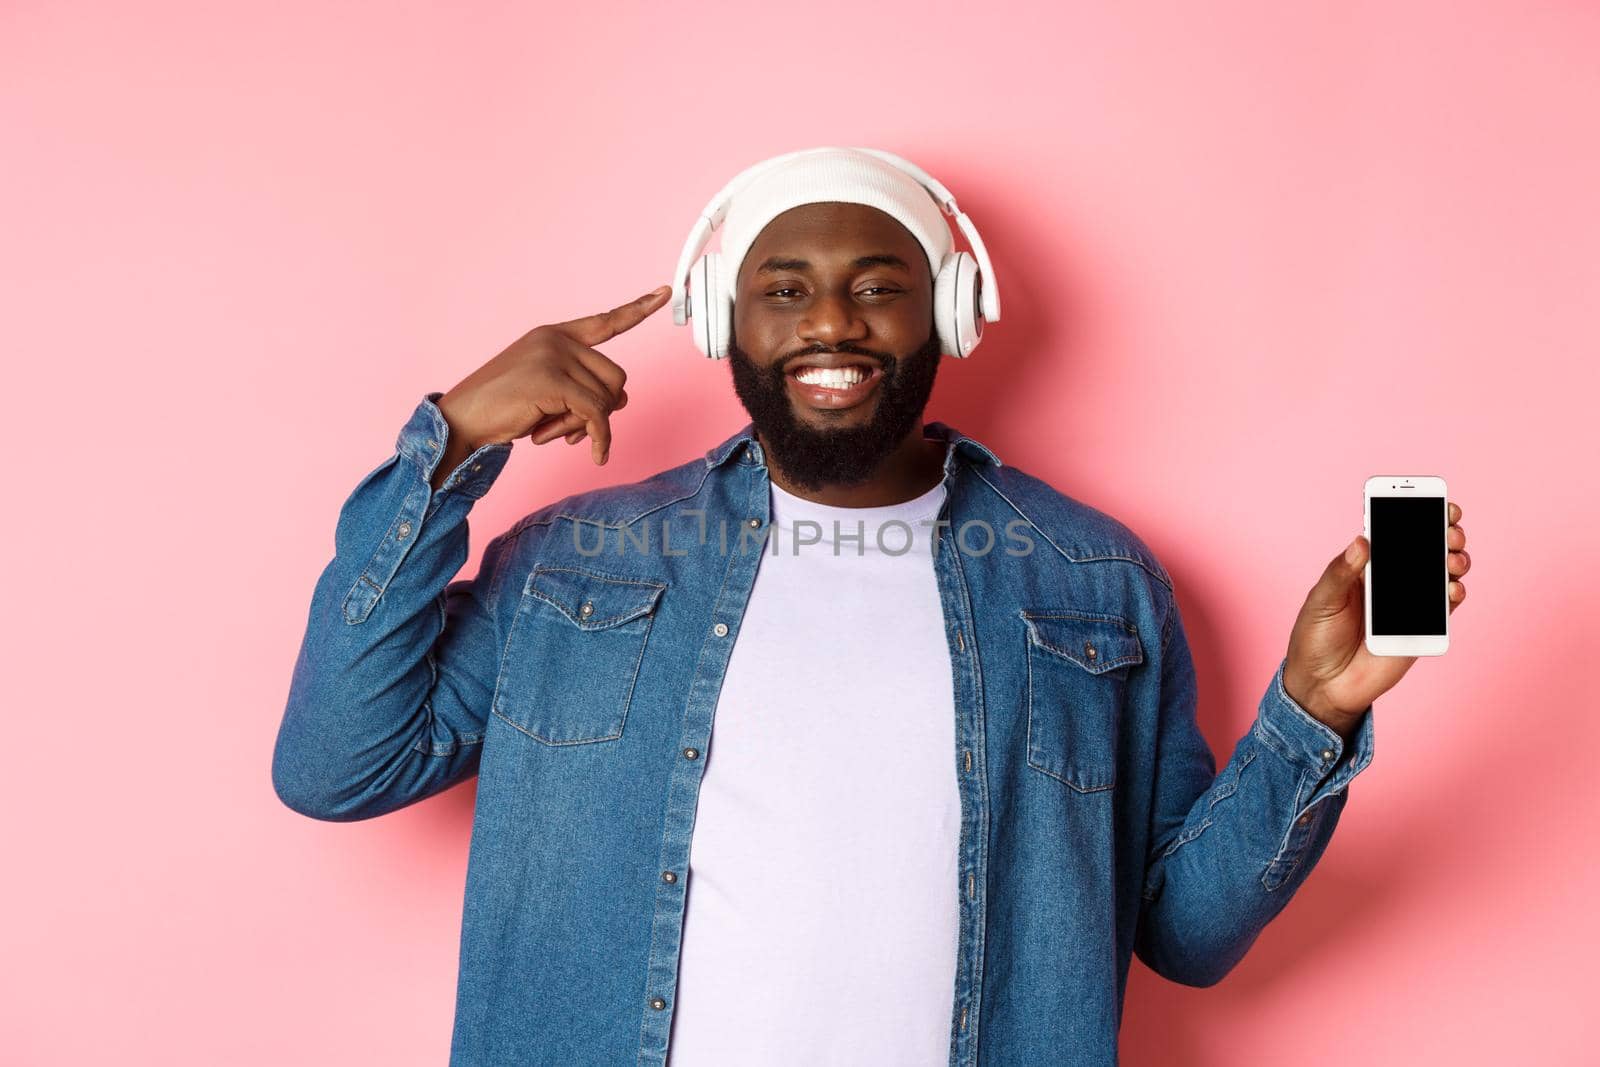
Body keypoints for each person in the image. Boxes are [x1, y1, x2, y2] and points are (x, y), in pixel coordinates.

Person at [272, 147, 1471, 1066]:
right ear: (719, 322)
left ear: (946, 312)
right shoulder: (577, 560)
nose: (832, 321)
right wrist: (450, 448)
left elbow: (1185, 937)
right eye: (782, 288)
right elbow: (336, 763)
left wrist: (1309, 713)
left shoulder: (1087, 577)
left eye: (877, 286)